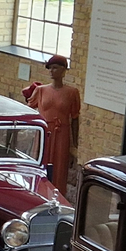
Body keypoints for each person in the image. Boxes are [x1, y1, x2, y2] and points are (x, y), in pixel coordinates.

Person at [22, 54, 82, 192]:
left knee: (60, 166)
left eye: (55, 68)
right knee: (41, 159)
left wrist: (75, 143)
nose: (51, 71)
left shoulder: (72, 92)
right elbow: (28, 109)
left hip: (62, 133)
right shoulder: (41, 90)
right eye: (50, 68)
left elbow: (75, 118)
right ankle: (38, 189)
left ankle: (57, 193)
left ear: (63, 70)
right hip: (44, 131)